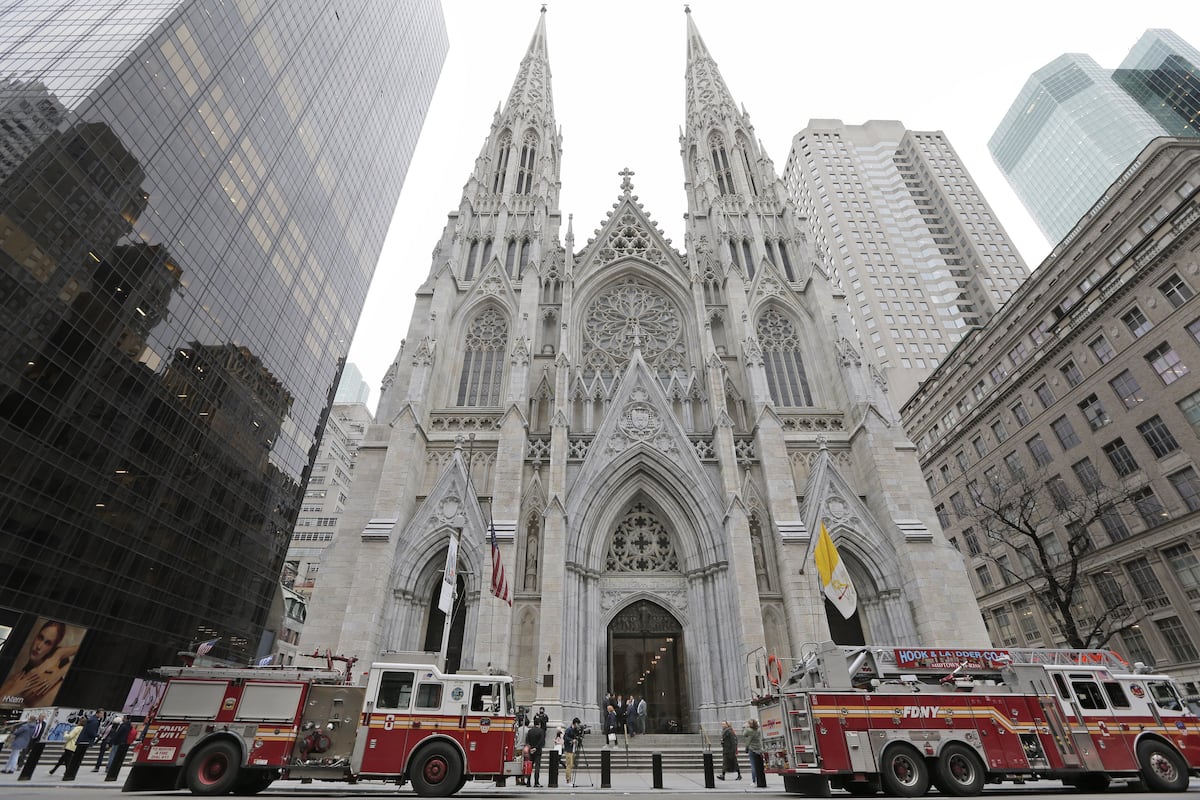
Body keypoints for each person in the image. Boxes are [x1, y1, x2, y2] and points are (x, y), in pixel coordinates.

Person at [0, 621, 80, 708]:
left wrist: (59, 674)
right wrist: (14, 690)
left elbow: (83, 649)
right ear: (35, 636)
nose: (39, 646)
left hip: (75, 703)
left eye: (48, 643)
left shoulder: (56, 656)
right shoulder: (18, 678)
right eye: (40, 638)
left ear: (53, 647)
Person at [524, 719, 545, 788]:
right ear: (539, 724)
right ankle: (536, 782)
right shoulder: (541, 731)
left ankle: (528, 782)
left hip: (530, 751)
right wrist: (536, 748)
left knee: (530, 766)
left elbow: (527, 741)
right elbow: (541, 741)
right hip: (537, 751)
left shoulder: (530, 731)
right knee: (537, 767)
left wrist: (531, 748)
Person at [743, 718, 764, 786]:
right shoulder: (758, 730)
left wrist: (746, 727)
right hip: (759, 748)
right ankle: (760, 779)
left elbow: (744, 734)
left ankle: (754, 780)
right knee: (759, 765)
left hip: (752, 749)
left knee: (753, 765)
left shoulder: (748, 730)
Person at [562, 717, 581, 787]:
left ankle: (569, 779)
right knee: (569, 765)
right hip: (568, 749)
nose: (578, 725)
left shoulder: (574, 730)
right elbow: (565, 737)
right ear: (575, 723)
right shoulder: (569, 729)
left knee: (571, 765)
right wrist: (572, 740)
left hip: (572, 749)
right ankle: (568, 780)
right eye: (578, 724)